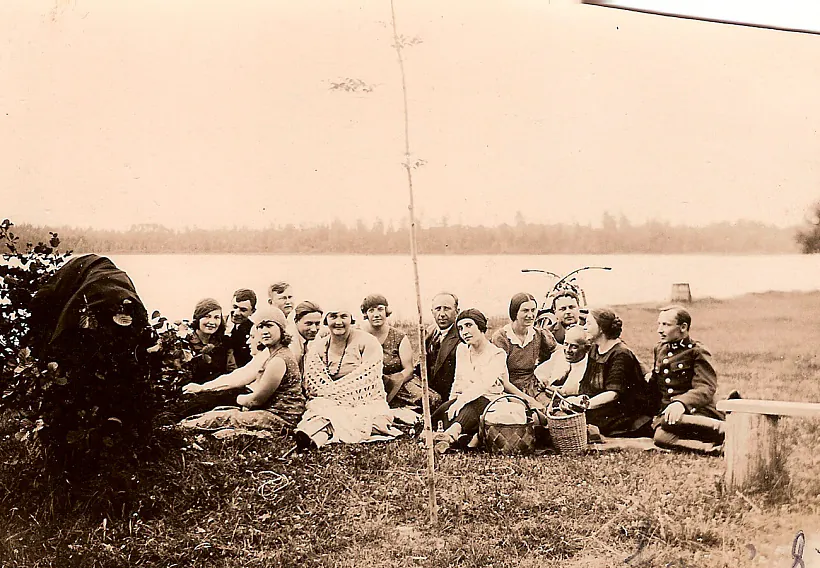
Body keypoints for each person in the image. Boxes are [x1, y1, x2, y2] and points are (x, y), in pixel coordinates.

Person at [179, 305, 306, 433]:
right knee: (220, 412)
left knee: (223, 418)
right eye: (260, 327)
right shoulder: (273, 353)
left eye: (269, 326)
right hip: (273, 413)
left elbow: (256, 400)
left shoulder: (278, 360)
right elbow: (243, 375)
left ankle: (179, 429)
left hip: (281, 418)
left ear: (282, 329)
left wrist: (236, 398)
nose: (264, 331)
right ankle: (181, 426)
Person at [294, 305, 399, 448]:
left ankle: (317, 437)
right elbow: (314, 383)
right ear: (326, 320)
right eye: (333, 317)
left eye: (343, 316)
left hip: (364, 400)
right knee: (320, 412)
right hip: (329, 400)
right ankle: (315, 441)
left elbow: (368, 378)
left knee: (373, 421)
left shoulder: (368, 342)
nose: (338, 322)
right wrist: (333, 397)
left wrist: (337, 394)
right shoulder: (318, 346)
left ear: (351, 319)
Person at [566, 307, 658, 437]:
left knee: (576, 423)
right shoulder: (595, 349)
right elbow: (588, 383)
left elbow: (613, 394)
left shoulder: (620, 354)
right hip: (600, 405)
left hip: (621, 412)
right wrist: (578, 399)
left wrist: (586, 404)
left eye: (589, 324)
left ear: (601, 328)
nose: (585, 327)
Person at [429, 308, 510, 453]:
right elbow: (458, 380)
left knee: (473, 406)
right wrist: (452, 403)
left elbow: (483, 385)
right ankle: (461, 438)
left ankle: (451, 435)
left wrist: (459, 402)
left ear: (480, 326)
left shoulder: (497, 354)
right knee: (442, 413)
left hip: (489, 401)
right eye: (460, 328)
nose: (464, 332)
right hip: (464, 400)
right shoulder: (462, 349)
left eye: (468, 325)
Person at [650, 305, 724, 454]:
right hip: (672, 414)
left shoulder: (696, 351)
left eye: (666, 325)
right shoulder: (660, 349)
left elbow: (706, 387)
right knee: (660, 436)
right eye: (659, 324)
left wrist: (681, 403)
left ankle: (723, 428)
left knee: (666, 422)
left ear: (683, 327)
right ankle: (712, 449)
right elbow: (656, 384)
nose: (659, 330)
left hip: (698, 411)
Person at [359, 294, 439, 409]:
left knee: (431, 400)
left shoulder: (399, 337)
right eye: (371, 310)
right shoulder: (360, 336)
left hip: (398, 384)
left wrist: (392, 383)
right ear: (366, 314)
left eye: (380, 309)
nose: (376, 314)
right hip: (368, 386)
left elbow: (408, 369)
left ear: (386, 311)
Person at [492, 292, 558, 403]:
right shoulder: (501, 337)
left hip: (533, 387)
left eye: (533, 310)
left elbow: (560, 352)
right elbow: (502, 379)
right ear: (515, 312)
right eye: (525, 311)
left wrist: (547, 374)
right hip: (509, 390)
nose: (530, 315)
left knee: (552, 409)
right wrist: (529, 401)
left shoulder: (538, 334)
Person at [184, 298, 236, 384]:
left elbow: (231, 372)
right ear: (197, 318)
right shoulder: (185, 343)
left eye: (216, 317)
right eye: (207, 316)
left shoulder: (224, 342)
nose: (212, 322)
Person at [424, 292, 461, 404]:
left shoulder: (462, 336)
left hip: (451, 399)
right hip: (430, 397)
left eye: (447, 309)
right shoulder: (429, 332)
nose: (442, 314)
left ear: (457, 311)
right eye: (438, 309)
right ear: (432, 312)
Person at [538, 324, 591, 400]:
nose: (568, 350)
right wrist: (542, 381)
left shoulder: (590, 367)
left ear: (587, 348)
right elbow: (540, 372)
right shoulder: (559, 355)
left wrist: (562, 393)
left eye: (574, 346)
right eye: (566, 344)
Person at [225, 288, 257, 368]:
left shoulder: (253, 330)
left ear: (252, 312)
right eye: (235, 307)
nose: (236, 313)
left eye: (243, 310)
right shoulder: (218, 324)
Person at [290, 300, 323, 374]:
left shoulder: (316, 340)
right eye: (309, 323)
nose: (314, 329)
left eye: (317, 324)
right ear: (296, 321)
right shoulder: (290, 344)